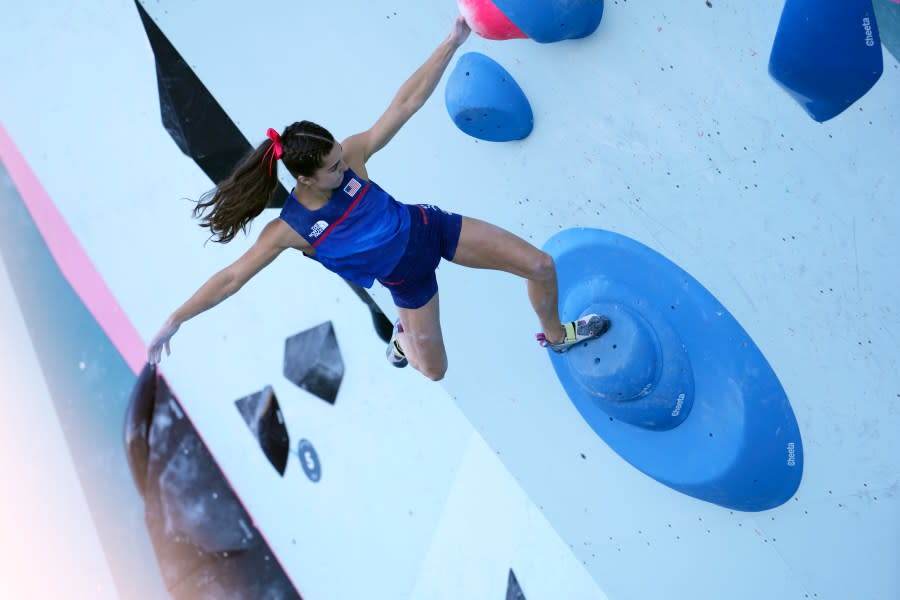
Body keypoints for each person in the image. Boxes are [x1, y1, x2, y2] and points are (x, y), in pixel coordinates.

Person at [147, 16, 608, 381]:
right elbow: (230, 279)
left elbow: (403, 105)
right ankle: (400, 339)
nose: (344, 168)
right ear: (304, 179)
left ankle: (557, 335)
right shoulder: (288, 231)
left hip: (433, 229)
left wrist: (452, 41)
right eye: (332, 169)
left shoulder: (349, 154)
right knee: (434, 371)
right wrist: (177, 317)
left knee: (542, 266)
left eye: (340, 158)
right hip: (408, 284)